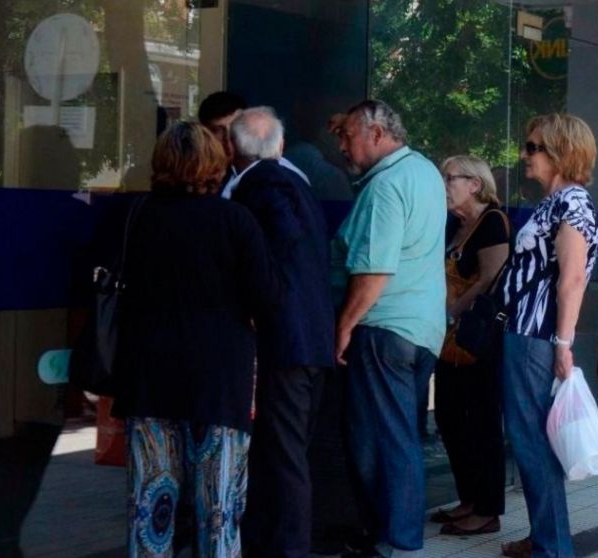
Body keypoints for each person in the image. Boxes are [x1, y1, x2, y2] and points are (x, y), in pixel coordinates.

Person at [112, 122, 281, 557]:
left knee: (150, 508)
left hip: (148, 377)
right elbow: (267, 299)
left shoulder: (135, 216)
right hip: (219, 380)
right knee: (219, 510)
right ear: (216, 163)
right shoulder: (235, 220)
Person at [332, 99, 447, 558]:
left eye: (348, 135)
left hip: (384, 329)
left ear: (377, 134)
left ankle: (396, 541)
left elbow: (374, 272)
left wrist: (343, 326)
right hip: (422, 330)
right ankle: (386, 533)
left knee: (384, 440)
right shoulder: (423, 172)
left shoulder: (384, 187)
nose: (341, 145)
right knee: (395, 435)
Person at [229, 107, 336, 558]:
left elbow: (280, 245)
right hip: (310, 338)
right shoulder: (298, 183)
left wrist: (260, 302)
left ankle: (288, 548)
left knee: (285, 455)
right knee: (285, 451)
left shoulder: (263, 184)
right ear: (280, 144)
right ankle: (270, 541)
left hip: (286, 342)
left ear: (233, 148)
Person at [498, 113, 598, 558]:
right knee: (530, 438)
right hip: (527, 332)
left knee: (532, 440)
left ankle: (552, 545)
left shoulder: (572, 204)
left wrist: (563, 344)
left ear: (560, 152)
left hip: (535, 336)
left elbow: (572, 279)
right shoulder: (556, 202)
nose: (525, 155)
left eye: (533, 147)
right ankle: (545, 536)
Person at [430, 155, 510, 536]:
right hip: (448, 339)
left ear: (474, 184)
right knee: (448, 416)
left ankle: (488, 508)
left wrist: (454, 311)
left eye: (450, 178)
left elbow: (491, 277)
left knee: (481, 422)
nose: (444, 184)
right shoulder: (453, 225)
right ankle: (467, 499)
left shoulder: (492, 221)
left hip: (475, 339)